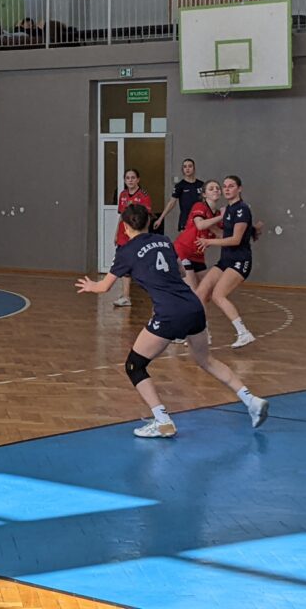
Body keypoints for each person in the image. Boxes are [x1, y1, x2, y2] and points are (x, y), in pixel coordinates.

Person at [76, 204, 268, 438]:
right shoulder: (165, 241)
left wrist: (90, 286)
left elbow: (105, 287)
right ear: (148, 222)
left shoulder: (126, 252)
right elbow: (181, 272)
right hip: (193, 306)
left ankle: (162, 420)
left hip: (169, 313)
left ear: (125, 227)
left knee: (135, 365)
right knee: (206, 360)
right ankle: (251, 400)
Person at [195, 175, 257, 349]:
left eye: (231, 186)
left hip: (240, 261)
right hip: (226, 260)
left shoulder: (242, 209)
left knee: (218, 295)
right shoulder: (227, 210)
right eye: (225, 186)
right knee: (201, 293)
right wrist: (209, 226)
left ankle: (244, 333)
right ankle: (204, 334)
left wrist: (209, 242)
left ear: (239, 188)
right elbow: (225, 234)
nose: (227, 189)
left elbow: (236, 239)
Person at [174, 179, 224, 294]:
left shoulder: (217, 214)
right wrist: (222, 216)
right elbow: (200, 225)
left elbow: (222, 234)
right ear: (204, 194)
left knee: (206, 291)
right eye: (211, 189)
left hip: (198, 256)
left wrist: (250, 229)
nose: (215, 190)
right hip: (183, 251)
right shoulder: (199, 206)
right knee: (194, 291)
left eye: (217, 188)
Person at [112, 168, 151, 307]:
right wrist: (116, 233)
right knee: (124, 264)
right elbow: (122, 216)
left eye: (133, 177)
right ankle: (126, 296)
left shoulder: (144, 195)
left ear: (138, 179)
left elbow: (147, 217)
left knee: (142, 264)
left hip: (136, 234)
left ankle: (153, 295)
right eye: (127, 178)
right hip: (124, 234)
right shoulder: (122, 194)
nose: (130, 180)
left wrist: (144, 235)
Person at [153, 158, 205, 233]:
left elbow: (206, 202)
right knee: (186, 240)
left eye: (190, 166)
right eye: (185, 166)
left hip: (200, 219)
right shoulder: (180, 186)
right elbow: (171, 203)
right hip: (185, 220)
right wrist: (160, 219)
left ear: (194, 168)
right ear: (182, 169)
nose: (187, 168)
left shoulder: (201, 184)